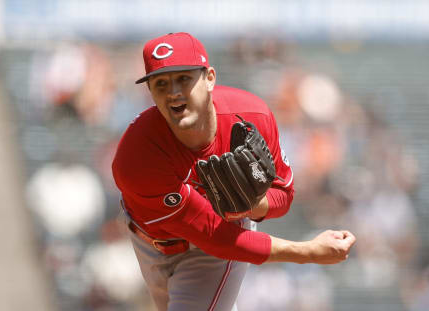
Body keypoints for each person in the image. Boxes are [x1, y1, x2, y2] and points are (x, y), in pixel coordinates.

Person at [111, 32, 356, 311]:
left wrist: (253, 203)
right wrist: (308, 252)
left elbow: (282, 197)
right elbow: (207, 232)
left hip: (217, 244)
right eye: (161, 83)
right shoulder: (137, 156)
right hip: (150, 244)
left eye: (184, 79)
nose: (173, 92)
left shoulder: (252, 117)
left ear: (210, 78)